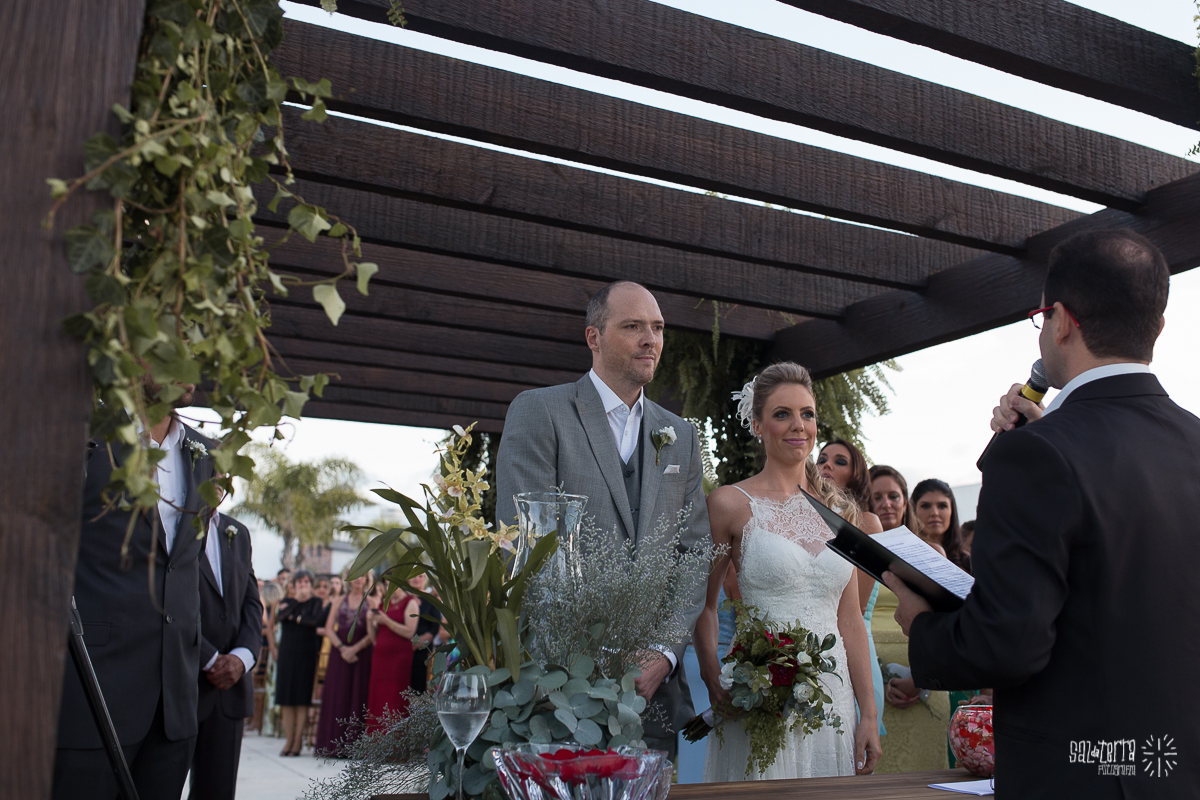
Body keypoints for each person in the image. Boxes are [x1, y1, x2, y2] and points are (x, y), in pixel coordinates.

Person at [888, 229, 1200, 797]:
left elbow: (1010, 642)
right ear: (1156, 326)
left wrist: (923, 627)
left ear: (1059, 320)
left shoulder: (1037, 453)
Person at [496, 280, 712, 758]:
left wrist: (664, 652)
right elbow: (527, 544)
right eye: (632, 326)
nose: (650, 339)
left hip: (652, 690)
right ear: (593, 337)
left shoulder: (680, 434)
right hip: (558, 686)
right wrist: (578, 658)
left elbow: (695, 554)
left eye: (657, 328)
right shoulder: (540, 411)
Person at [697, 363, 881, 780]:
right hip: (758, 696)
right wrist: (713, 677)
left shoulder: (840, 512)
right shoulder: (729, 504)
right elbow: (704, 605)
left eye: (807, 414)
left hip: (833, 702)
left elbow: (850, 619)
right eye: (782, 414)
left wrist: (867, 714)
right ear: (758, 425)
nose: (799, 425)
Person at [54, 377, 215, 800]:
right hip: (91, 694)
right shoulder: (86, 432)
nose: (190, 363)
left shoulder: (204, 453)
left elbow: (183, 567)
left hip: (174, 708)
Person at [189, 511, 263, 800]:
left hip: (229, 687)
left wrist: (242, 657)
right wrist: (209, 657)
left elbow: (252, 603)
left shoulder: (238, 532)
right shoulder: (170, 521)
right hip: (179, 681)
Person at [817, 440, 886, 739]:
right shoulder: (803, 518)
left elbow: (853, 609)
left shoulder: (867, 522)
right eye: (821, 458)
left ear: (857, 475)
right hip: (812, 649)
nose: (827, 464)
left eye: (840, 461)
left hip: (850, 650)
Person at [314, 572, 376, 755]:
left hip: (362, 654)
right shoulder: (339, 600)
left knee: (359, 694)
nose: (359, 579)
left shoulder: (372, 602)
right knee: (337, 693)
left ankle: (354, 746)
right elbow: (328, 628)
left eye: (362, 576)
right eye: (356, 575)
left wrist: (355, 649)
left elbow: (373, 633)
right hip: (339, 653)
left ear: (367, 579)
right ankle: (333, 745)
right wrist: (342, 648)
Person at [274, 570, 324, 757]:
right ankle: (288, 740)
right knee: (286, 698)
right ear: (293, 585)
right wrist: (297, 604)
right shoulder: (287, 602)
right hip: (287, 653)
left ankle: (297, 742)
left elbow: (315, 621)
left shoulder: (316, 602)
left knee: (302, 698)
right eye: (300, 582)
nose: (303, 585)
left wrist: (295, 618)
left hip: (306, 653)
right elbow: (281, 616)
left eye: (306, 581)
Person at [365, 587, 421, 729]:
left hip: (399, 656)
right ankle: (375, 739)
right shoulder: (383, 603)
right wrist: (369, 621)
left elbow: (410, 632)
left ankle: (395, 741)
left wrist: (387, 620)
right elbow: (373, 637)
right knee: (377, 694)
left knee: (395, 694)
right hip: (380, 656)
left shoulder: (410, 602)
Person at [910, 479, 971, 573]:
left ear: (952, 511)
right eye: (926, 506)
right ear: (913, 510)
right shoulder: (904, 557)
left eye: (942, 506)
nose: (934, 513)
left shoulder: (969, 563)